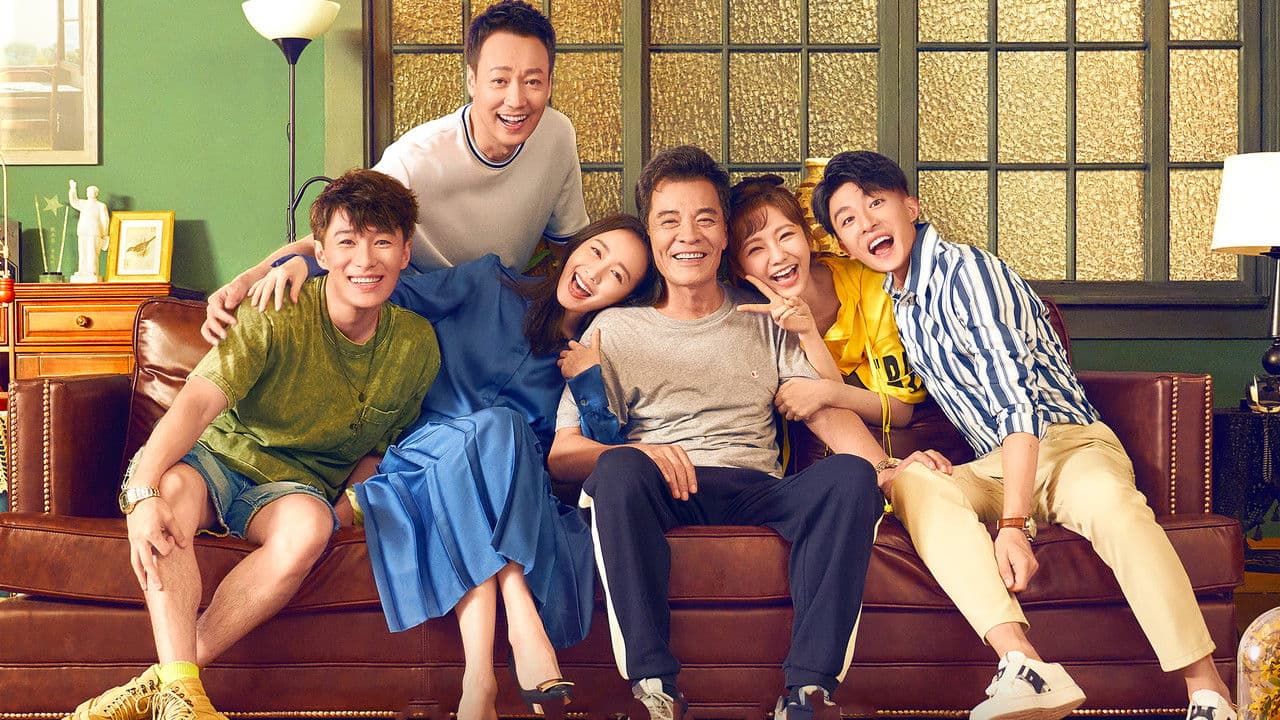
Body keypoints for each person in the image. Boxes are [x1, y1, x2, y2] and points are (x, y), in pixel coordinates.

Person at [811, 150, 1237, 720]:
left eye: (876, 203)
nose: (866, 223)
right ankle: (1025, 667)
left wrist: (1012, 525)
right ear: (843, 245)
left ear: (910, 206)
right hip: (995, 463)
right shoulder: (901, 302)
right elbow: (911, 409)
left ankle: (1208, 691)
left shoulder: (969, 273)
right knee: (913, 484)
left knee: (1115, 509)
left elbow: (1017, 404)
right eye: (847, 219)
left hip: (1065, 444)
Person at [547, 146, 952, 720]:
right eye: (669, 221)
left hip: (756, 486)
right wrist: (642, 451)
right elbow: (562, 453)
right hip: (660, 486)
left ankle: (808, 691)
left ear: (723, 239)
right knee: (616, 469)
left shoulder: (765, 317)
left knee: (849, 477)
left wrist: (886, 468)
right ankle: (654, 687)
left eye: (705, 219)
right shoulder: (613, 329)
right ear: (652, 234)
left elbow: (821, 408)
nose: (688, 236)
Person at [231, 214, 656, 720]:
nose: (594, 273)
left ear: (625, 298)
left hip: (510, 498)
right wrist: (305, 264)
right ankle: (522, 616)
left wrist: (587, 382)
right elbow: (386, 287)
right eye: (596, 252)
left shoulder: (591, 353)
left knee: (501, 437)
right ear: (577, 246)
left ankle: (478, 683)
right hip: (421, 462)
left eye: (617, 276)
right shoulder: (488, 282)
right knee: (501, 424)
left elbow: (600, 459)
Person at [65, 169, 440, 720]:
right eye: (347, 242)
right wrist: (142, 493)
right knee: (172, 492)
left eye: (382, 242)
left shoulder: (415, 345)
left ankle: (165, 683)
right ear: (320, 252)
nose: (365, 260)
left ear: (405, 252)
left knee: (309, 528)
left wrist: (340, 513)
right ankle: (184, 700)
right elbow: (196, 404)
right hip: (221, 457)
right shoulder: (278, 308)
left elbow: (378, 453)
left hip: (295, 488)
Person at [201, 0, 587, 344]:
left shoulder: (557, 135)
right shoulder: (417, 158)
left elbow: (570, 244)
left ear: (550, 82)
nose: (516, 100)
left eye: (533, 81)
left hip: (499, 311)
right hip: (418, 310)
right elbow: (341, 233)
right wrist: (248, 279)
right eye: (499, 81)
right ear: (472, 80)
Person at [726, 174, 926, 439]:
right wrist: (807, 333)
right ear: (739, 267)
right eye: (755, 249)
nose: (778, 256)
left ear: (808, 238)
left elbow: (901, 410)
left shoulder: (870, 284)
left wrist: (827, 392)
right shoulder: (752, 319)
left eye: (786, 235)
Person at [68, 180, 109, 283]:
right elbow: (74, 201)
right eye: (89, 191)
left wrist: (105, 234)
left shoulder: (101, 205)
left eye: (92, 191)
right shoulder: (83, 203)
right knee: (82, 251)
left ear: (96, 193)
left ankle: (92, 271)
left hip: (94, 231)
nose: (90, 193)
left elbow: (105, 220)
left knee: (92, 252)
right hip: (83, 230)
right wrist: (73, 189)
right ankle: (82, 271)